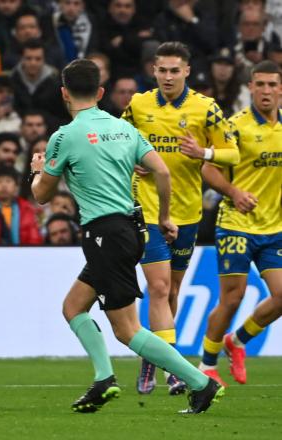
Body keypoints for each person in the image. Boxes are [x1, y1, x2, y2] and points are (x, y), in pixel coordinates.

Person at [30, 58, 224, 414]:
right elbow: (161, 171)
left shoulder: (65, 136)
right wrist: (165, 217)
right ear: (101, 92)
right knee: (73, 307)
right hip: (133, 229)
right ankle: (104, 379)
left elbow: (42, 195)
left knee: (128, 330)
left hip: (103, 234)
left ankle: (201, 382)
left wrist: (37, 171)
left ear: (64, 93)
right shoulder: (124, 130)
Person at [122, 41, 239, 395]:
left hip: (186, 212)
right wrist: (131, 159)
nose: (168, 76)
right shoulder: (139, 105)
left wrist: (202, 151)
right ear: (153, 71)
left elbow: (233, 153)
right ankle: (173, 367)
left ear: (187, 71)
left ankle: (150, 358)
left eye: (175, 70)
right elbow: (117, 142)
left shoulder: (206, 108)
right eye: (163, 70)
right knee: (157, 287)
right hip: (146, 208)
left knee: (171, 290)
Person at [198, 60, 282, 386]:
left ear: (280, 89)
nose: (265, 91)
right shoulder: (234, 127)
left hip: (274, 228)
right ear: (250, 88)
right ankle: (207, 364)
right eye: (259, 84)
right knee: (232, 297)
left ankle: (238, 341)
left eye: (272, 85)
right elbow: (207, 168)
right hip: (236, 222)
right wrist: (234, 191)